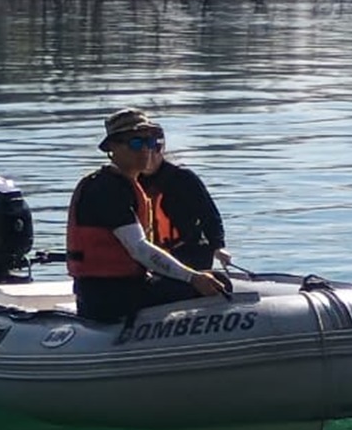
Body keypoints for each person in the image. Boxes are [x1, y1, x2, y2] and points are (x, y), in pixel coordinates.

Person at [66, 108, 229, 323]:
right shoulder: (106, 190)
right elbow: (139, 248)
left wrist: (215, 248)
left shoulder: (126, 185)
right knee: (217, 283)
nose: (146, 150)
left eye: (151, 143)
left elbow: (209, 216)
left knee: (215, 279)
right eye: (135, 143)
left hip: (127, 286)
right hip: (107, 297)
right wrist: (193, 277)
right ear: (113, 147)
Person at [138, 125, 230, 272]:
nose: (149, 157)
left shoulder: (183, 178)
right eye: (143, 152)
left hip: (188, 253)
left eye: (154, 150)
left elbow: (209, 215)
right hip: (151, 254)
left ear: (161, 150)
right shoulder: (131, 181)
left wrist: (218, 247)